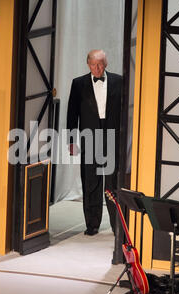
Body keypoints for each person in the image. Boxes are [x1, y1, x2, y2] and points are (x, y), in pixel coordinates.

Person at [67, 49, 122, 236]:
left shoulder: (119, 81)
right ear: (88, 64)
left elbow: (126, 112)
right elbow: (72, 113)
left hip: (113, 137)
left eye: (100, 64)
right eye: (93, 64)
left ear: (105, 64)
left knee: (113, 182)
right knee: (91, 182)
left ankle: (118, 226)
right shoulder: (78, 84)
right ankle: (92, 224)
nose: (97, 68)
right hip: (89, 137)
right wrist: (72, 140)